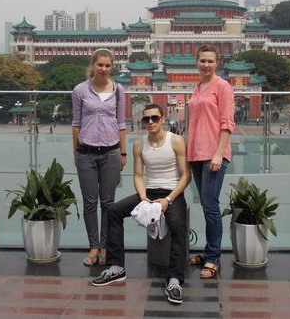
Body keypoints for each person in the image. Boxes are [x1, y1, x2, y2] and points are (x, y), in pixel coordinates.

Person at [91, 104, 190, 304]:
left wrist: (168, 200)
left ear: (163, 118)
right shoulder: (139, 144)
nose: (150, 122)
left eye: (155, 118)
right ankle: (116, 267)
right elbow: (138, 175)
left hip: (172, 194)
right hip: (150, 193)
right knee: (114, 211)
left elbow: (186, 176)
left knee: (178, 225)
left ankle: (174, 280)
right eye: (146, 119)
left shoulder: (176, 141)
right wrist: (143, 198)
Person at [72, 48, 127, 266]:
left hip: (111, 152)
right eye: (100, 65)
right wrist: (76, 153)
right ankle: (93, 246)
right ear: (93, 65)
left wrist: (123, 152)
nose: (103, 69)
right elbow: (76, 123)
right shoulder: (80, 90)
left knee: (108, 203)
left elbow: (121, 123)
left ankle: (105, 246)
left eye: (107, 65)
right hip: (86, 153)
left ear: (112, 67)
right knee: (89, 203)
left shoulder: (118, 90)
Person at [186, 45, 235, 279]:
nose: (206, 65)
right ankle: (208, 252)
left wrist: (218, 153)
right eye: (202, 61)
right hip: (197, 153)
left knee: (210, 205)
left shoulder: (222, 86)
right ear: (197, 62)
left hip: (214, 154)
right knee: (206, 204)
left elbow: (227, 123)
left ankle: (214, 257)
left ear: (217, 63)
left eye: (210, 61)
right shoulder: (198, 87)